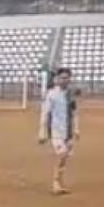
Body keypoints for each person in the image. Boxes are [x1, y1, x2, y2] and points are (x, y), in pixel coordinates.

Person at [39, 66, 79, 195]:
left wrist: (77, 128)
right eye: (62, 78)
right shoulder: (51, 94)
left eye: (67, 78)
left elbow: (75, 112)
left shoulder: (70, 94)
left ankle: (60, 182)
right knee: (61, 154)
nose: (65, 80)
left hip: (69, 131)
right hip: (56, 131)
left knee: (64, 157)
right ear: (57, 79)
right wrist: (42, 131)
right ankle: (56, 182)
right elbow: (45, 113)